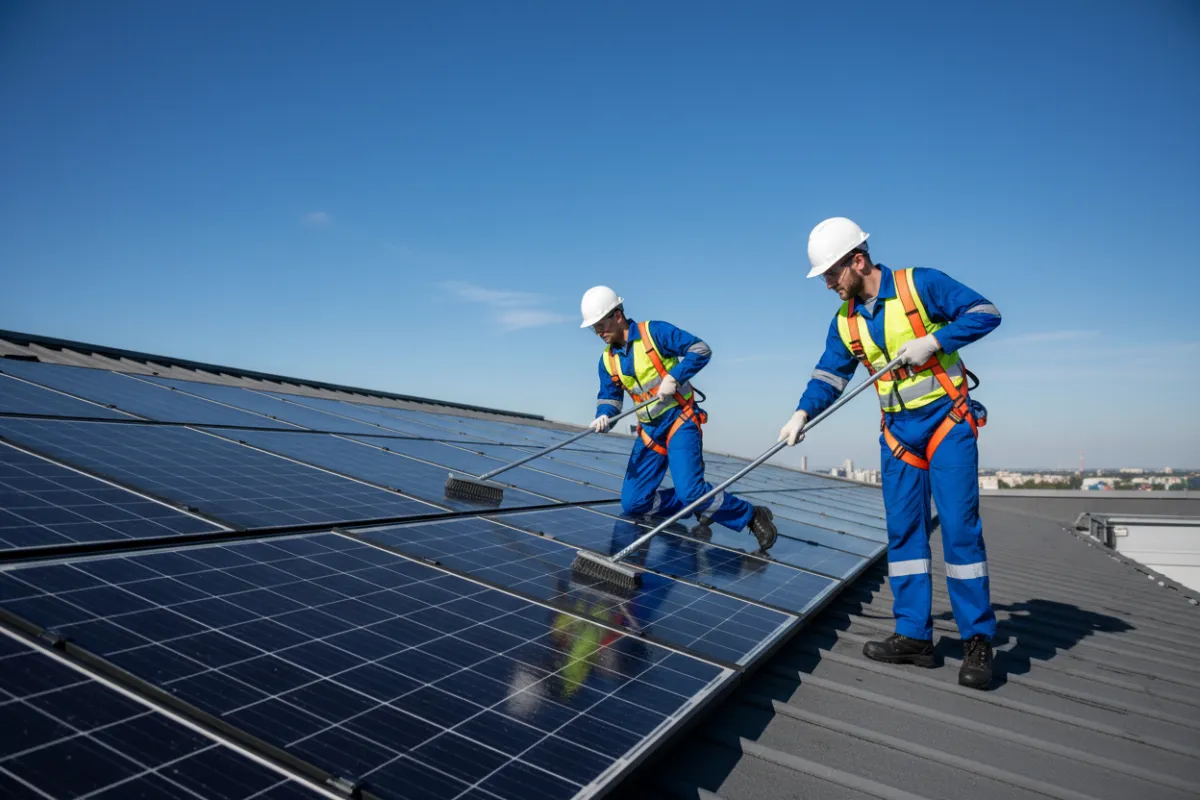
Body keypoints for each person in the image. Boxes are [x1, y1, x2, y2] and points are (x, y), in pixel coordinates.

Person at [777, 217, 1001, 689]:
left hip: (947, 423)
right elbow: (829, 376)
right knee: (903, 535)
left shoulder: (920, 285)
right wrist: (801, 413)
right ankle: (914, 637)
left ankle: (976, 641)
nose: (829, 285)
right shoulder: (846, 320)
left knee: (960, 532)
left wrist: (936, 340)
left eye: (832, 275)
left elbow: (985, 312)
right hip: (898, 434)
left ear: (858, 261)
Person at [580, 286, 778, 552]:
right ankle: (694, 502)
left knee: (691, 491)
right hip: (650, 432)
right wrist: (604, 416)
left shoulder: (655, 333)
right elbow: (610, 399)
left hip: (679, 421)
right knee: (634, 504)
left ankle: (751, 515)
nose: (598, 332)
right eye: (593, 327)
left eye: (600, 324)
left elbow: (701, 349)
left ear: (617, 315)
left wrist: (675, 377)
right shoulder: (607, 361)